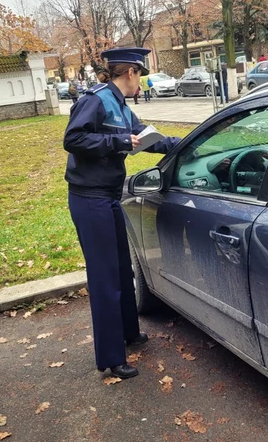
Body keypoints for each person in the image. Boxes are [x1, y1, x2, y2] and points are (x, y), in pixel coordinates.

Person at [63, 47, 180, 380]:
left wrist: (181, 144)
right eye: (140, 74)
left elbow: (145, 138)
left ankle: (129, 333)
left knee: (121, 267)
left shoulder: (121, 106)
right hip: (89, 199)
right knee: (105, 277)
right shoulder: (96, 99)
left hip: (109, 196)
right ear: (130, 72)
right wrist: (117, 144)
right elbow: (73, 139)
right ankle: (111, 358)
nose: (140, 81)